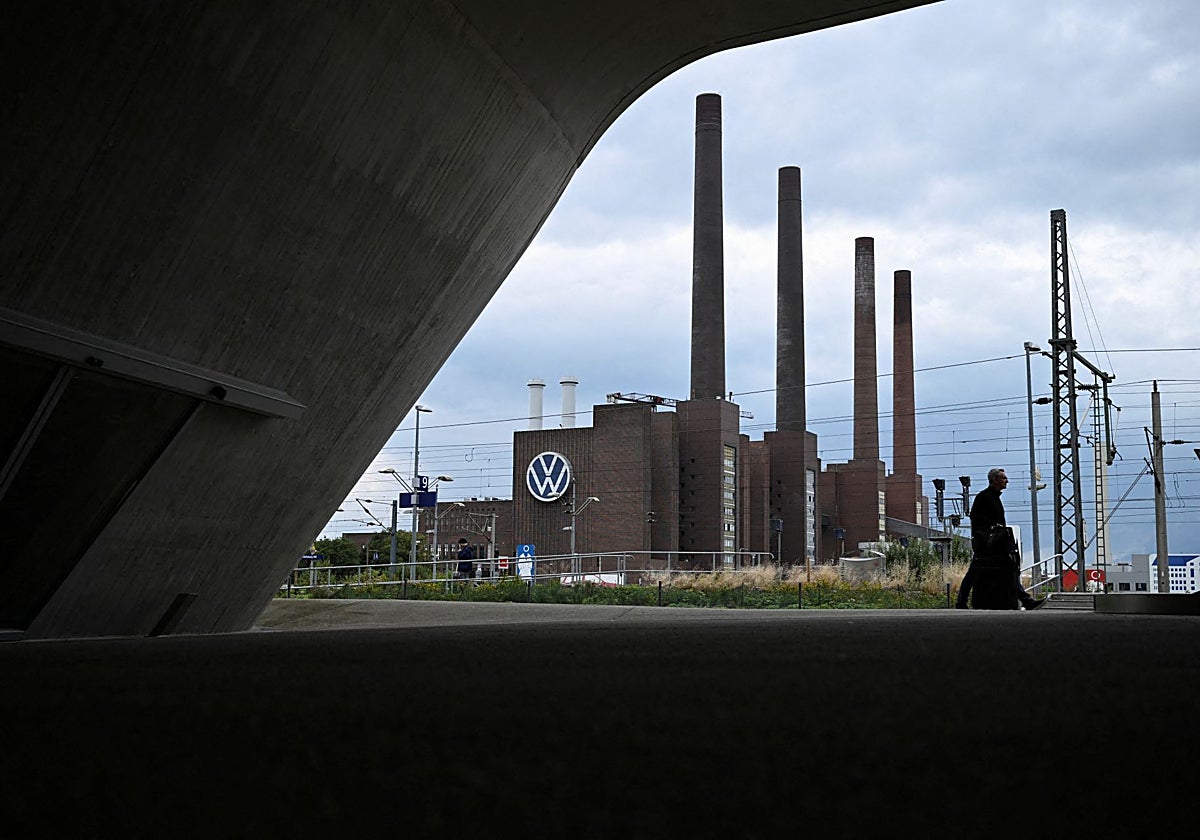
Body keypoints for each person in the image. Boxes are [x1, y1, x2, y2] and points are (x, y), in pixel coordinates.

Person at [956, 467, 1047, 610]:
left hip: (992, 543)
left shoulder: (991, 497)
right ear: (995, 480)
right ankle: (1026, 601)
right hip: (987, 544)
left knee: (997, 571)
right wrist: (993, 528)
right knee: (980, 571)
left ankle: (961, 602)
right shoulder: (985, 497)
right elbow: (976, 518)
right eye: (1004, 478)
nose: (1007, 481)